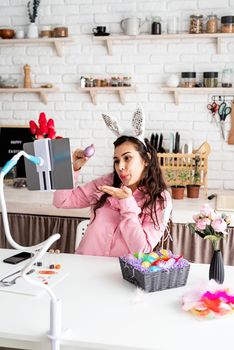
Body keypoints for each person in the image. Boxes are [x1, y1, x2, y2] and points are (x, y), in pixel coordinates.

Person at [53, 107, 172, 257]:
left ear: (146, 159)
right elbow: (61, 201)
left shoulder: (159, 198)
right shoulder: (106, 184)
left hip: (119, 275)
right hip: (84, 267)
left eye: (127, 158)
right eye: (117, 160)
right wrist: (72, 169)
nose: (120, 166)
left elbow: (142, 251)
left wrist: (126, 202)